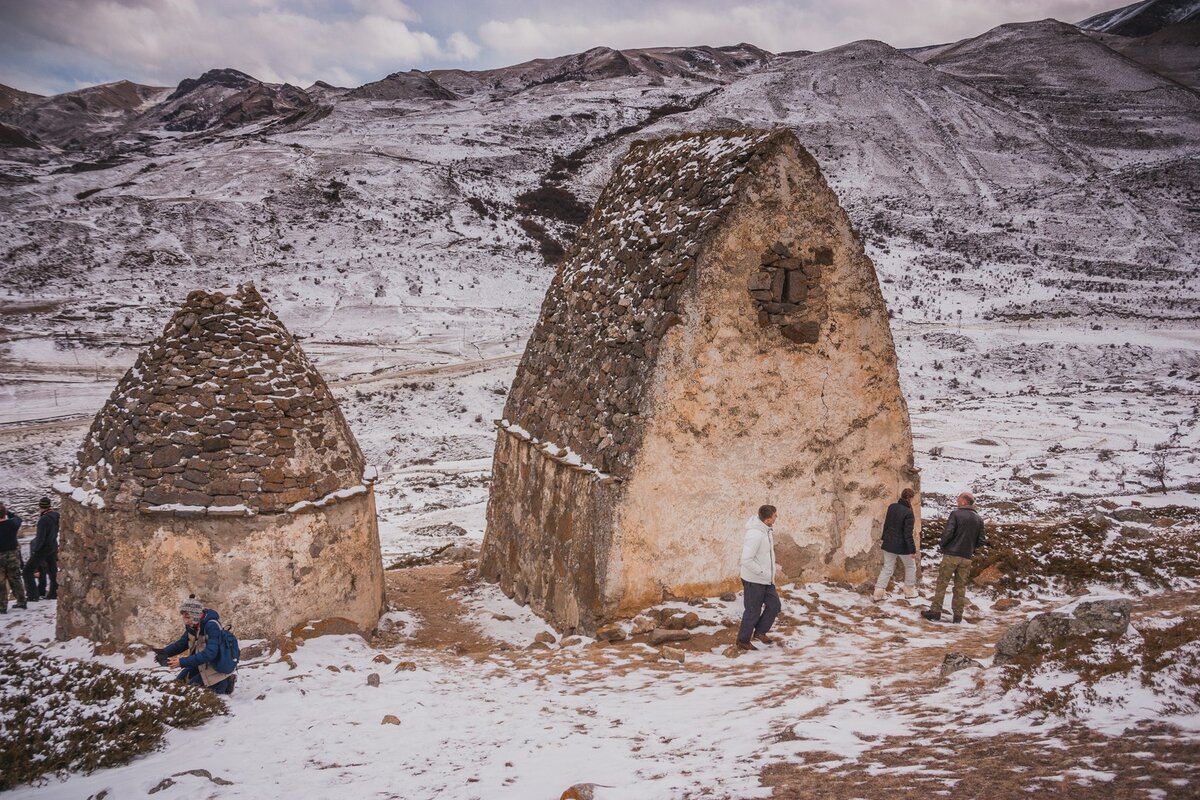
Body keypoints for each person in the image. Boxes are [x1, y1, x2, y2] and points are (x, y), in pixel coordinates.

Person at [922, 492, 987, 623]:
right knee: (960, 586)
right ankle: (958, 615)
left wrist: (943, 545)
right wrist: (971, 548)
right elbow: (981, 540)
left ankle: (935, 612)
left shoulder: (955, 514)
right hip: (966, 556)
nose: (957, 501)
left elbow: (948, 533)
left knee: (942, 583)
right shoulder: (978, 519)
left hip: (951, 554)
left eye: (958, 499)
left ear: (964, 502)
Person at [155, 596, 237, 694]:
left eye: (188, 617)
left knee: (188, 693)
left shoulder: (212, 626)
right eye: (184, 617)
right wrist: (163, 653)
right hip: (201, 665)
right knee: (177, 685)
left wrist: (182, 662)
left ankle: (227, 681)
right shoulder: (193, 625)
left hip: (215, 668)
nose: (186, 621)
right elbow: (182, 643)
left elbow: (210, 653)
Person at [737, 504, 781, 651]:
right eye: (775, 515)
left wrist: (768, 575)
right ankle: (743, 641)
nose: (776, 517)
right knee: (752, 611)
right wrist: (762, 572)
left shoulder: (766, 530)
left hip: (766, 580)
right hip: (754, 580)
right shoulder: (755, 534)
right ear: (768, 519)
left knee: (774, 605)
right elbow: (746, 559)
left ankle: (760, 632)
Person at [873, 488, 918, 601]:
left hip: (888, 542)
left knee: (887, 568)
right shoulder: (909, 512)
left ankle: (878, 592)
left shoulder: (892, 507)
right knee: (910, 566)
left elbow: (886, 524)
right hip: (902, 546)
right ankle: (909, 590)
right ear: (911, 498)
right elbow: (908, 534)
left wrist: (884, 538)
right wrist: (912, 550)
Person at [24, 497, 59, 601]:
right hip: (53, 545)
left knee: (27, 571)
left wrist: (36, 550)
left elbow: (40, 537)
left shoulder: (43, 519)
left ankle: (33, 595)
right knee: (52, 571)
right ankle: (53, 593)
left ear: (40, 506)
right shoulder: (56, 516)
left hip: (43, 548)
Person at [0, 503, 27, 613]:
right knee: (15, 578)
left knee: (0, 581)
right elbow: (18, 518)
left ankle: (2, 606)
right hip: (12, 554)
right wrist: (7, 512)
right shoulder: (12, 524)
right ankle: (21, 601)